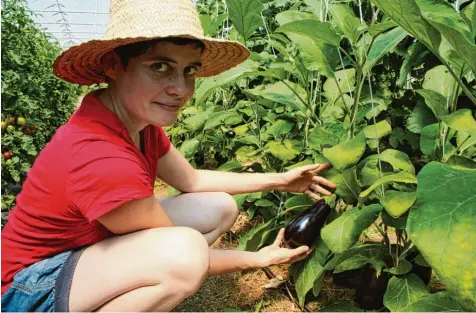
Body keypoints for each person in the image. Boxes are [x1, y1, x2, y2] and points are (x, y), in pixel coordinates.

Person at [1, 0, 336, 311]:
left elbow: (191, 179)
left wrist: (281, 180)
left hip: (81, 251)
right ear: (112, 65)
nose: (181, 89)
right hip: (27, 287)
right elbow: (182, 250)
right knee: (184, 258)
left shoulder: (134, 122)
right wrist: (258, 258)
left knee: (219, 206)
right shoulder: (98, 156)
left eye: (190, 69)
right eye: (160, 66)